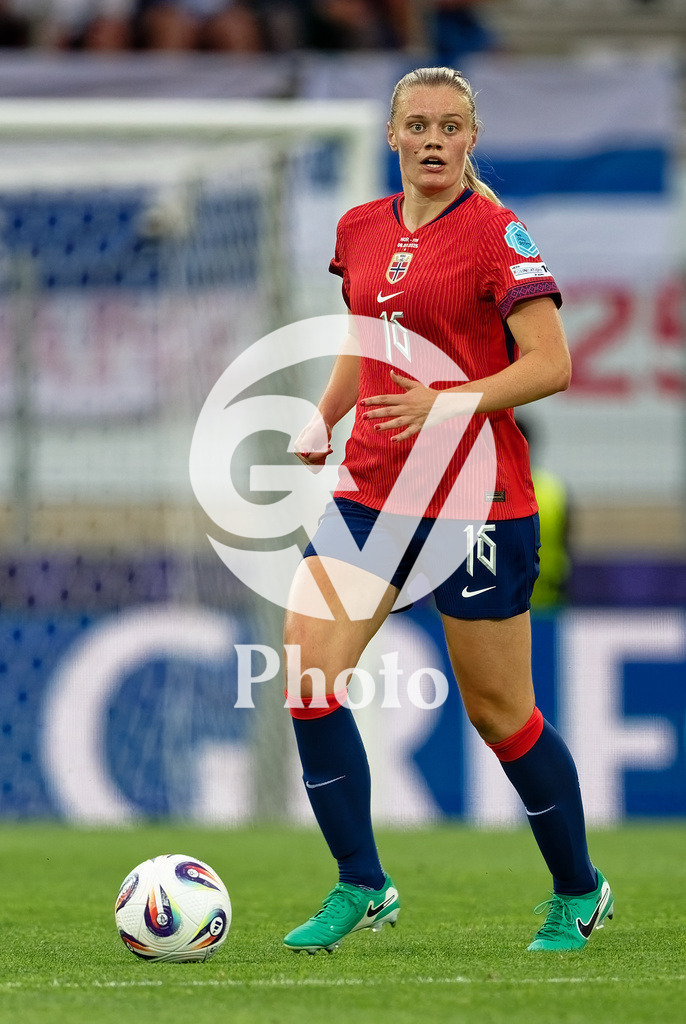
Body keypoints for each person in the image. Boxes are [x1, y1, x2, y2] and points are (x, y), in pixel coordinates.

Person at [282, 65, 613, 955]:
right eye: (419, 125)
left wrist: (450, 400)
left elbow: (551, 364)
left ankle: (578, 889)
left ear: (473, 140)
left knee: (500, 713)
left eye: (452, 127)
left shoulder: (499, 235)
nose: (434, 140)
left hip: (475, 501)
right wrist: (324, 418)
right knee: (309, 677)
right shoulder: (357, 229)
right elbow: (367, 337)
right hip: (369, 492)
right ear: (392, 136)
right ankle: (362, 882)